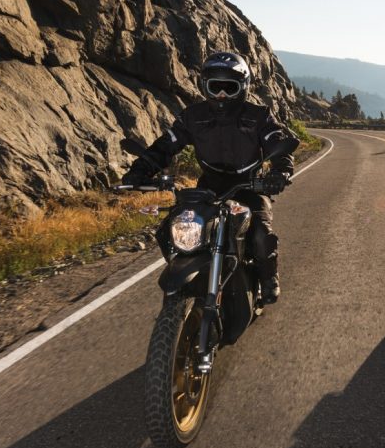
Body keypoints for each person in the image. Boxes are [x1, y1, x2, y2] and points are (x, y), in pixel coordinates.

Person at [121, 51, 295, 304]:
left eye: (229, 87)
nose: (222, 95)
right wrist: (140, 170)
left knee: (260, 234)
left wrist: (280, 172)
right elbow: (164, 147)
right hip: (208, 188)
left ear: (243, 88)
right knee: (172, 228)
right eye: (216, 87)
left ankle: (269, 277)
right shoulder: (192, 117)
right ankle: (191, 275)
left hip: (250, 186)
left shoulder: (259, 116)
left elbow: (276, 143)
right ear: (205, 87)